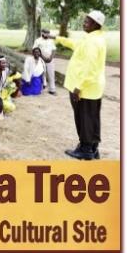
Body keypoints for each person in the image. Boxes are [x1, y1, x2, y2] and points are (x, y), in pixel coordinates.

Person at [48, 10, 107, 160]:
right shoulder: (93, 38)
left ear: (96, 24)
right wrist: (56, 38)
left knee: (84, 118)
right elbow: (74, 44)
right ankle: (93, 148)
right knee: (92, 117)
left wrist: (78, 87)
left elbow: (90, 67)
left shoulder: (93, 42)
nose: (84, 23)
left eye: (87, 21)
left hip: (84, 88)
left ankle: (86, 150)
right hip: (93, 88)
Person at [33, 29, 57, 95]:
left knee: (51, 74)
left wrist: (50, 58)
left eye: (48, 33)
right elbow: (35, 50)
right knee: (40, 73)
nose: (47, 35)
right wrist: (42, 57)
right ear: (42, 33)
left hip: (50, 59)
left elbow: (54, 50)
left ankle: (52, 89)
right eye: (46, 33)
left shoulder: (51, 40)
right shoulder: (38, 41)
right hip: (40, 58)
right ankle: (39, 89)